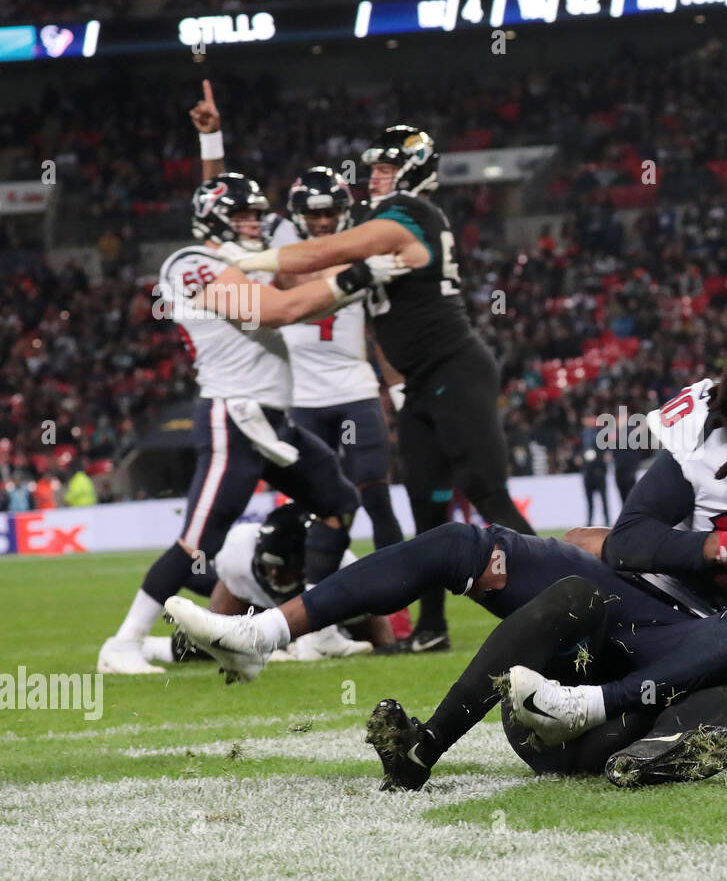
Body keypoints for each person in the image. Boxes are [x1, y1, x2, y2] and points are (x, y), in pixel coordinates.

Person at [164, 331, 727, 789]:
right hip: (640, 603)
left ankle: (602, 713)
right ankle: (263, 634)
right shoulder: (704, 435)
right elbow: (629, 540)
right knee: (462, 541)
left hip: (712, 639)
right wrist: (720, 546)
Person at [214, 124, 535, 655]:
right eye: (374, 170)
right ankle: (431, 628)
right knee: (427, 510)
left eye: (385, 169)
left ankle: (556, 596)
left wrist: (248, 261)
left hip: (455, 368)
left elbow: (323, 252)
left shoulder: (410, 215)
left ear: (412, 171)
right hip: (420, 381)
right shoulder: (390, 222)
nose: (374, 179)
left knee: (486, 493)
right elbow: (319, 285)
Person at [95, 172, 403, 674]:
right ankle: (124, 642)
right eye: (242, 215)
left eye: (258, 214)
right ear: (212, 219)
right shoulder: (191, 264)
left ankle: (318, 632)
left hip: (275, 422)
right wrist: (357, 277)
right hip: (233, 415)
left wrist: (351, 271)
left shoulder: (243, 262)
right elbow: (279, 311)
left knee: (338, 500)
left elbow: (299, 291)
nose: (254, 223)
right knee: (199, 540)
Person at [191, 84, 407, 621]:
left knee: (374, 499)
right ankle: (307, 616)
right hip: (299, 396)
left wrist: (396, 386)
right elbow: (219, 204)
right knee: (310, 508)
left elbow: (382, 326)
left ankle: (402, 615)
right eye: (312, 217)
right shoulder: (281, 239)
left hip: (354, 389)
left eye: (330, 214)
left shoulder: (365, 238)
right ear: (293, 215)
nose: (321, 224)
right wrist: (211, 138)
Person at [156, 502, 386, 665]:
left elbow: (380, 640)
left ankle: (315, 641)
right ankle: (146, 646)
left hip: (322, 617)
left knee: (373, 640)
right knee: (211, 642)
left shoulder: (341, 569)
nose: (274, 574)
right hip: (257, 608)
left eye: (282, 568)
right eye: (268, 566)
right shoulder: (238, 552)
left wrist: (385, 646)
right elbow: (215, 633)